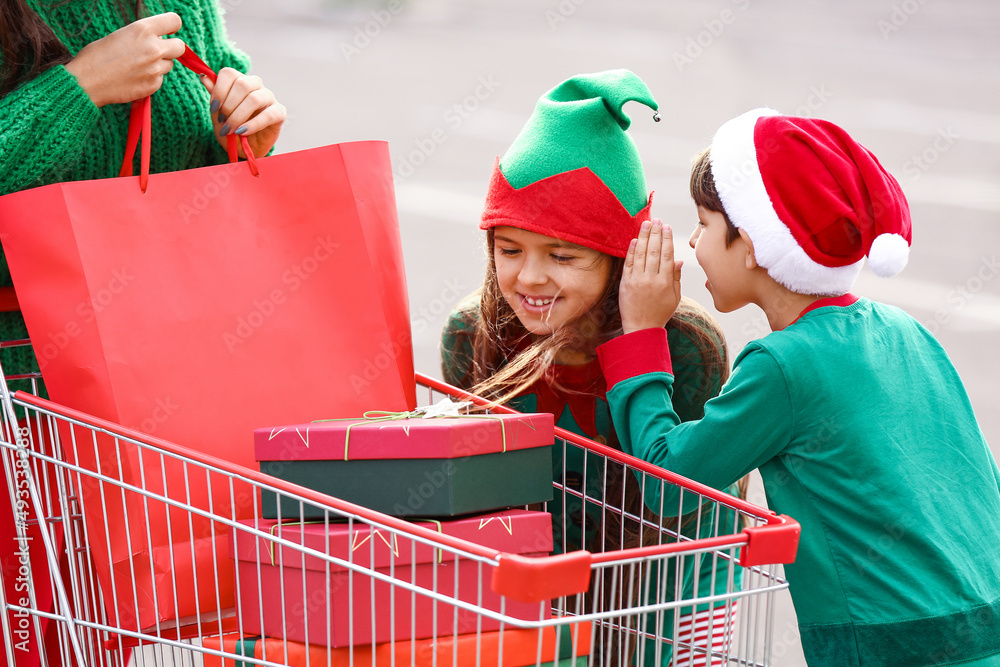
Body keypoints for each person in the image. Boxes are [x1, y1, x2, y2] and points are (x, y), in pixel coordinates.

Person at [599, 108, 1000, 665]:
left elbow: (670, 482)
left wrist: (641, 334)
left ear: (755, 241)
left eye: (705, 223)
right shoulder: (905, 330)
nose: (692, 243)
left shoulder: (783, 364)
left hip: (893, 646)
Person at [0, 2, 284, 664]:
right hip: (20, 406)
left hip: (157, 392)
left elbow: (208, 157)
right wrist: (77, 89)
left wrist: (248, 127)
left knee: (123, 634)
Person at [440, 69, 745, 666]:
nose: (528, 277)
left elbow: (682, 506)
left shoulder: (689, 344)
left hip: (666, 596)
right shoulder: (472, 335)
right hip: (533, 593)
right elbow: (466, 496)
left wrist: (642, 333)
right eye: (509, 250)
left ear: (620, 260)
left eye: (563, 255)